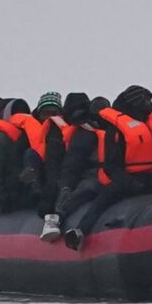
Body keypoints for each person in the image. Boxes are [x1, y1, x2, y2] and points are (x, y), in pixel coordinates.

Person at [63, 85, 152, 250]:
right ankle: (80, 231)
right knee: (104, 198)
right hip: (126, 178)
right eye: (144, 100)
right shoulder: (116, 130)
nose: (148, 105)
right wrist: (127, 182)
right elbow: (112, 165)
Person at [40, 93, 98, 241]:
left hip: (88, 177)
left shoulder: (81, 133)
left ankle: (56, 218)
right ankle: (58, 218)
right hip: (97, 178)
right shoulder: (92, 130)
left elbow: (70, 166)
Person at [0, 99, 44, 212]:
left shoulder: (35, 138)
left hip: (29, 198)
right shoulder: (2, 140)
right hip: (11, 198)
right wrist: (2, 199)